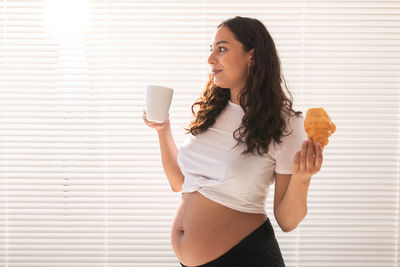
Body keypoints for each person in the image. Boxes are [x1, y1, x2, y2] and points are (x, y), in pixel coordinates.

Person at [143, 16, 323, 267]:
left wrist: (302, 179)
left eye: (222, 49)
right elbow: (180, 183)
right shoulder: (212, 111)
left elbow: (287, 221)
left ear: (252, 56)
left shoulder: (285, 124)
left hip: (247, 257)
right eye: (211, 50)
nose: (210, 59)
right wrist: (163, 130)